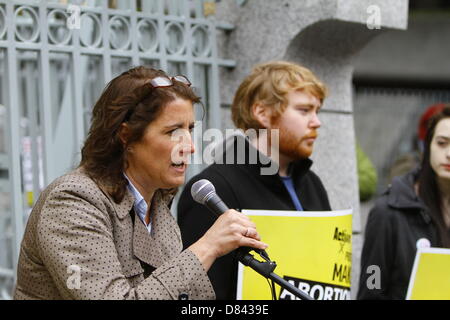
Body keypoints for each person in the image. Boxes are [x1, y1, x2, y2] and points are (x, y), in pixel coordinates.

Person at [13, 66, 268, 300]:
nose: (190, 147)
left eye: (190, 129)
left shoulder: (156, 201)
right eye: (172, 132)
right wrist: (208, 246)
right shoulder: (73, 200)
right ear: (126, 136)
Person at [177, 61, 331, 299]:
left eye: (317, 111)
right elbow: (202, 293)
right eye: (304, 110)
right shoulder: (214, 188)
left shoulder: (312, 184)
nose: (316, 122)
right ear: (262, 113)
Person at [358, 105, 450, 300]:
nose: (448, 153)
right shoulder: (388, 212)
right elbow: (371, 290)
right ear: (427, 146)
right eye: (442, 143)